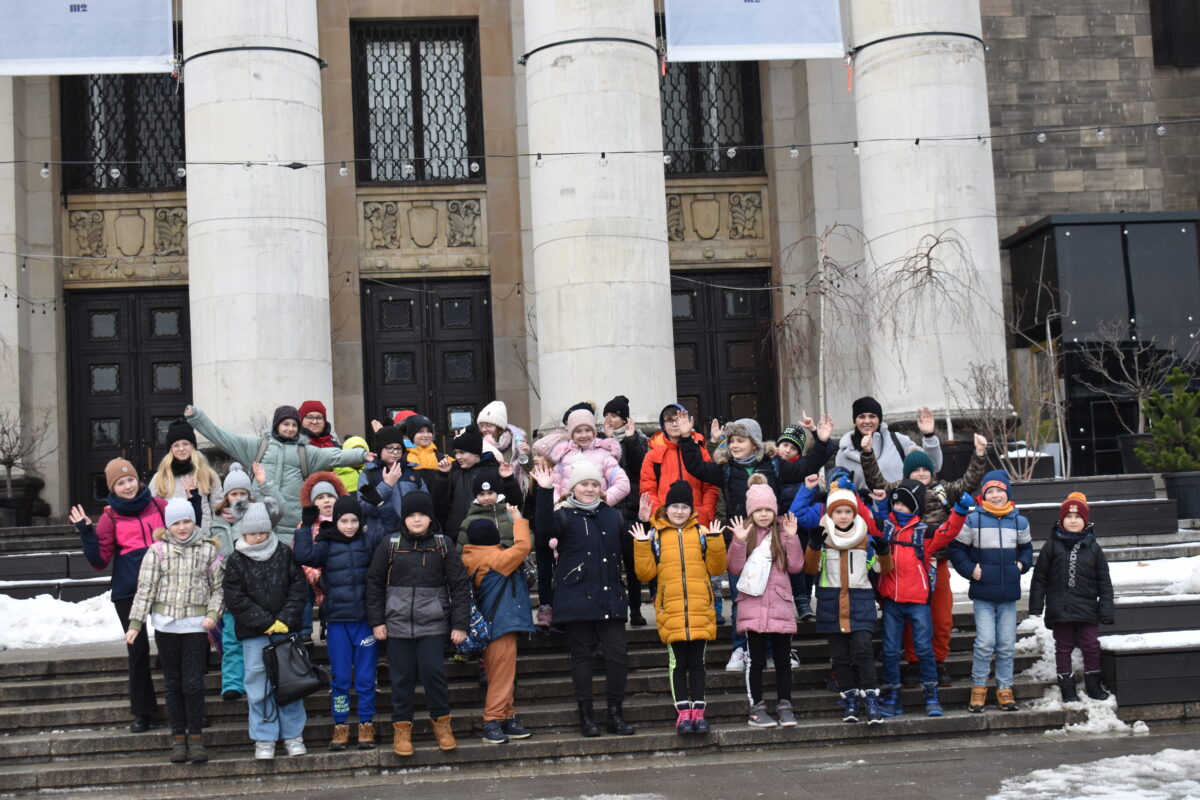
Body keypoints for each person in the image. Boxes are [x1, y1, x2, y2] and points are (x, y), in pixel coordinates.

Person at [673, 412, 834, 672]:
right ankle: (741, 647)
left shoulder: (775, 465)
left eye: (740, 440)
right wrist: (685, 437)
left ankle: (772, 650)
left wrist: (822, 441)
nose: (734, 445)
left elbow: (807, 466)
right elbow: (696, 467)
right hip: (742, 542)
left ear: (755, 443)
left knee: (772, 596)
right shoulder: (726, 469)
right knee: (741, 596)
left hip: (772, 543)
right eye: (731, 440)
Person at [860, 431, 991, 687]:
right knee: (911, 618)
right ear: (907, 473)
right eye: (915, 470)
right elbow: (875, 479)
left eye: (925, 469)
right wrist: (867, 453)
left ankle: (939, 662)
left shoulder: (944, 490)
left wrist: (979, 454)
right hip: (906, 564)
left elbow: (970, 480)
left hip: (937, 562)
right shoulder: (900, 490)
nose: (921, 473)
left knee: (941, 617)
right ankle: (914, 663)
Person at [532, 460, 635, 737]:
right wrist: (544, 491)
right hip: (575, 597)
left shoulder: (613, 516)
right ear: (573, 488)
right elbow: (542, 531)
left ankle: (615, 713)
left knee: (617, 656)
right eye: (584, 484)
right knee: (581, 657)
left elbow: (628, 552)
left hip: (609, 598)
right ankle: (586, 716)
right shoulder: (564, 515)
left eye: (594, 484)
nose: (589, 489)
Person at [365, 491, 471, 757]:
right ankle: (402, 729)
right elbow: (375, 583)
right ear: (404, 518)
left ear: (430, 517)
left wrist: (460, 624)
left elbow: (459, 586)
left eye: (422, 514)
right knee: (401, 679)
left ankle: (442, 725)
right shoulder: (390, 543)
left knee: (434, 677)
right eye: (411, 515)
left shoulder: (442, 544)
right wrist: (377, 621)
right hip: (397, 624)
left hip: (433, 625)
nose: (416, 519)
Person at [70, 458, 171, 732]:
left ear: (138, 480)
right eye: (120, 482)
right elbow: (99, 560)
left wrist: (194, 500)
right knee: (137, 651)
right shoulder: (110, 517)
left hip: (164, 586)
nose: (127, 486)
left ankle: (183, 710)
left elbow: (183, 532)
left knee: (172, 647)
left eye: (130, 480)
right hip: (129, 590)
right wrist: (86, 532)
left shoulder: (159, 506)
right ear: (112, 488)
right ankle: (143, 712)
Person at [125, 497, 223, 764]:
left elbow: (218, 588)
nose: (182, 527)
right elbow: (145, 589)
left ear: (194, 521)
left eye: (186, 521)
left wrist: (213, 613)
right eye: (176, 523)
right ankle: (178, 737)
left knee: (193, 683)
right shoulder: (157, 551)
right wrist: (136, 623)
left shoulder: (208, 550)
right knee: (172, 683)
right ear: (168, 525)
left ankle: (196, 736)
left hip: (195, 626)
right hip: (166, 625)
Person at [185, 404, 369, 539]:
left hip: (291, 527)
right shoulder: (257, 447)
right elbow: (222, 437)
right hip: (258, 525)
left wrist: (361, 455)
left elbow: (335, 456)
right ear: (276, 425)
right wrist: (196, 417)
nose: (290, 429)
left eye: (294, 425)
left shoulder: (306, 452)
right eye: (286, 424)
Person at [631, 481, 728, 734]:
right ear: (666, 508)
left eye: (684, 506)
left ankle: (699, 712)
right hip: (671, 610)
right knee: (677, 663)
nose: (679, 511)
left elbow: (717, 568)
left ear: (691, 509)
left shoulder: (703, 533)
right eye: (674, 506)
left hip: (700, 608)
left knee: (698, 663)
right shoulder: (655, 535)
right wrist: (641, 544)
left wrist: (717, 541)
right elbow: (645, 573)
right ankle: (683, 713)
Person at [294, 494, 387, 751]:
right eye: (344, 520)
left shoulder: (369, 541)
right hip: (337, 622)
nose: (349, 525)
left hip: (365, 621)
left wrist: (380, 504)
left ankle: (366, 724)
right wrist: (304, 525)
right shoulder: (326, 543)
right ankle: (341, 725)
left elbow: (389, 529)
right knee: (341, 678)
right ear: (335, 521)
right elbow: (303, 554)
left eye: (354, 520)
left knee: (367, 678)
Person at [874, 481, 972, 717]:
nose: (899, 507)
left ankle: (931, 694)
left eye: (904, 504)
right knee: (889, 650)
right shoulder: (885, 528)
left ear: (914, 508)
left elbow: (948, 531)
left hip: (918, 602)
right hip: (892, 602)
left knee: (924, 649)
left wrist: (959, 512)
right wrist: (860, 498)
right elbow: (865, 520)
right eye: (896, 502)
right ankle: (892, 695)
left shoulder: (924, 533)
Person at [221, 502, 309, 760]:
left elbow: (298, 587)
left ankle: (293, 734)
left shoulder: (283, 553)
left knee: (291, 684)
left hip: (285, 632)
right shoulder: (236, 560)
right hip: (254, 635)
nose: (258, 536)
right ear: (244, 532)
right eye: (253, 532)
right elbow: (235, 598)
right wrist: (264, 622)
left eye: (263, 531)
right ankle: (264, 737)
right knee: (258, 687)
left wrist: (285, 619)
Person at [805, 485, 893, 724]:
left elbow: (882, 569)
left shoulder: (865, 539)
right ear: (830, 515)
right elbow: (811, 569)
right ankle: (850, 698)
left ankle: (871, 697)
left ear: (854, 514)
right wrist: (813, 546)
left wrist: (884, 553)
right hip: (831, 604)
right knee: (840, 656)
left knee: (864, 650)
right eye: (838, 512)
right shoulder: (823, 539)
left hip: (860, 602)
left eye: (847, 511)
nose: (843, 516)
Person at [948, 469, 1033, 712]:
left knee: (1006, 645)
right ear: (983, 495)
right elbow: (957, 550)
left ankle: (1005, 689)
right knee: (985, 642)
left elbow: (1026, 550)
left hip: (1008, 595)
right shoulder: (973, 520)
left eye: (1000, 491)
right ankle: (979, 689)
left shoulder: (1019, 521)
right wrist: (971, 570)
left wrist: (1020, 565)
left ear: (1008, 493)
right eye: (990, 491)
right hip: (983, 593)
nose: (995, 496)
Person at [725, 474, 805, 728]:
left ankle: (785, 704)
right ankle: (756, 707)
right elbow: (734, 567)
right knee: (756, 660)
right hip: (753, 604)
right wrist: (738, 541)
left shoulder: (782, 533)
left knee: (783, 660)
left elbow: (796, 566)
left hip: (780, 604)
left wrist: (792, 537)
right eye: (758, 509)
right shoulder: (746, 534)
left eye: (767, 509)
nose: (763, 514)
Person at [460, 506, 537, 744]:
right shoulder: (495, 558)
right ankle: (492, 721)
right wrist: (518, 519)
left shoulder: (471, 554)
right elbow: (524, 546)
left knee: (500, 674)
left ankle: (507, 717)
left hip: (490, 624)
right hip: (500, 624)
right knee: (502, 676)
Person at [1029, 492, 1114, 702]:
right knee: (1063, 647)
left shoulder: (1093, 548)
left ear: (1085, 521)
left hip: (1087, 608)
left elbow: (1104, 581)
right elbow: (1039, 577)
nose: (1073, 521)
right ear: (1061, 520)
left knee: (1091, 645)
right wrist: (1036, 606)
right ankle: (1067, 688)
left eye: (1078, 517)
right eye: (1069, 517)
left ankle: (1093, 685)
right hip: (1060, 608)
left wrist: (1106, 609)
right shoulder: (1052, 546)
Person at [209, 462, 284, 702]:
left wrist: (263, 485)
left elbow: (279, 509)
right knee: (231, 640)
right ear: (226, 495)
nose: (238, 498)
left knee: (259, 640)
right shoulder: (217, 520)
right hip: (230, 589)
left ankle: (266, 679)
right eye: (234, 493)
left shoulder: (256, 512)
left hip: (257, 586)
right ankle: (232, 683)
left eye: (243, 493)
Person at [601, 395, 652, 626]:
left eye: (614, 415)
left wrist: (629, 441)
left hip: (631, 511)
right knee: (611, 565)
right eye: (607, 415)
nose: (609, 419)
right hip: (609, 510)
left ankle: (636, 609)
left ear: (624, 418)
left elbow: (639, 469)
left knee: (632, 565)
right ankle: (615, 608)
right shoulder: (601, 440)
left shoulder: (640, 439)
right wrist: (608, 442)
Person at [433, 424, 523, 544]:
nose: (458, 457)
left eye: (462, 452)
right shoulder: (453, 472)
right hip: (458, 535)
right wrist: (442, 476)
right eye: (456, 453)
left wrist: (509, 480)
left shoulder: (494, 471)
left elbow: (515, 502)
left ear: (475, 452)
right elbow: (438, 504)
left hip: (490, 534)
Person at [834, 397, 943, 489]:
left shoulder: (898, 441)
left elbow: (933, 466)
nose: (867, 421)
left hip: (900, 510)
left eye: (872, 416)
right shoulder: (844, 453)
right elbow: (840, 490)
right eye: (861, 417)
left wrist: (929, 436)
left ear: (880, 419)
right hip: (864, 513)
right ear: (855, 420)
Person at [775, 420, 817, 622]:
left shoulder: (804, 471)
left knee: (804, 560)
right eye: (784, 445)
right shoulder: (771, 467)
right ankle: (801, 600)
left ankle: (804, 600)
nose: (787, 451)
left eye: (793, 448)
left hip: (801, 523)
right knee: (791, 562)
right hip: (777, 524)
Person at [150, 419, 224, 533]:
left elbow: (218, 509)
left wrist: (216, 535)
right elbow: (152, 510)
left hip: (202, 538)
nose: (181, 449)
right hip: (172, 541)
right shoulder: (160, 477)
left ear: (193, 446)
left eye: (185, 444)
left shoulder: (208, 474)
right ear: (170, 449)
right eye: (176, 445)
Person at [549, 408, 631, 507]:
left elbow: (623, 484)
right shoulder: (564, 455)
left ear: (593, 431)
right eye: (578, 431)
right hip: (568, 514)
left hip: (596, 515)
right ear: (571, 433)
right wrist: (558, 505)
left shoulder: (604, 454)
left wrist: (602, 504)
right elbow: (555, 486)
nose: (584, 435)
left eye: (587, 430)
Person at [357, 425, 428, 534]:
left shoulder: (412, 472)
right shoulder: (368, 474)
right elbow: (365, 509)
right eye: (389, 448)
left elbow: (426, 503)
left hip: (411, 534)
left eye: (398, 448)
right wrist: (386, 485)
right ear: (380, 449)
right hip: (381, 536)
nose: (395, 452)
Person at [477, 400, 531, 489]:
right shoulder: (480, 444)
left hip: (513, 488)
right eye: (481, 426)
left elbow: (529, 469)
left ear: (499, 427)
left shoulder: (517, 441)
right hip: (490, 492)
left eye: (488, 425)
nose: (484, 429)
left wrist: (526, 454)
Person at [458, 473, 515, 551]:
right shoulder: (469, 520)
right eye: (481, 494)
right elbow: (461, 549)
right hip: (483, 562)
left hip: (512, 560)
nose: (486, 498)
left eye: (490, 493)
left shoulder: (510, 513)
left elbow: (526, 536)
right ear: (476, 496)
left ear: (497, 493)